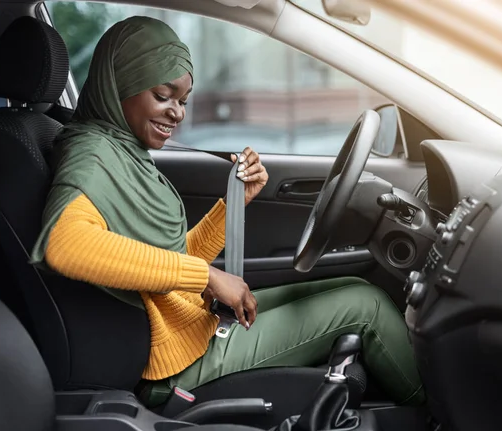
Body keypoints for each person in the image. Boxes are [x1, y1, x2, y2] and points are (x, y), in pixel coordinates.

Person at [30, 16, 424, 407]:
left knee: (355, 289)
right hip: (177, 364)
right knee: (367, 308)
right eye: (163, 95)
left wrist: (236, 201)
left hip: (193, 326)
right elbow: (66, 246)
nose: (178, 113)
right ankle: (440, 413)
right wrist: (208, 278)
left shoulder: (123, 150)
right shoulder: (92, 153)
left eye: (183, 101)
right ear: (122, 84)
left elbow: (168, 258)